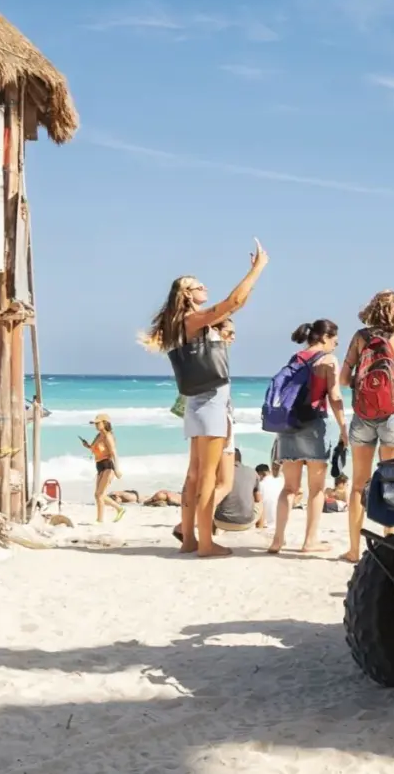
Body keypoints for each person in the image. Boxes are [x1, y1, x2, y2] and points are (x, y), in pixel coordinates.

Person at [139, 237, 269, 557]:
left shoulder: (180, 324)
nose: (204, 287)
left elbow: (236, 303)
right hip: (211, 400)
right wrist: (258, 268)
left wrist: (249, 282)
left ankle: (189, 540)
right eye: (198, 286)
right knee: (207, 475)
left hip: (197, 402)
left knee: (195, 474)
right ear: (186, 293)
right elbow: (233, 302)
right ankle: (206, 543)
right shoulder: (192, 320)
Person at [339, 291, 394, 563]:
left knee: (358, 484)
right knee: (393, 482)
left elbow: (343, 379)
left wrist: (366, 385)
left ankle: (353, 549)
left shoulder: (360, 337)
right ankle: (391, 545)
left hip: (362, 415)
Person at [268, 320, 349, 554]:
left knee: (289, 488)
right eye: (335, 337)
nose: (337, 342)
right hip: (314, 425)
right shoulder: (328, 360)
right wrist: (344, 427)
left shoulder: (296, 358)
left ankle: (277, 540)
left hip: (288, 425)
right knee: (316, 489)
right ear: (324, 337)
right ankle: (309, 541)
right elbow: (334, 395)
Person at [80, 413, 125, 523]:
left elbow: (114, 452)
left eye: (97, 423)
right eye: (95, 423)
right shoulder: (98, 436)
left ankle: (99, 521)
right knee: (98, 495)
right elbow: (95, 450)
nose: (95, 425)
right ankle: (119, 508)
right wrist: (88, 446)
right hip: (99, 466)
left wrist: (117, 469)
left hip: (108, 466)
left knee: (100, 495)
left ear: (105, 423)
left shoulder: (108, 436)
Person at [214, 449, 263, 531]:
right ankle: (260, 529)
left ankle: (212, 532)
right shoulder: (252, 472)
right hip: (245, 523)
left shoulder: (219, 471)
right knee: (260, 503)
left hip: (220, 522)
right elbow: (257, 499)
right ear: (240, 459)